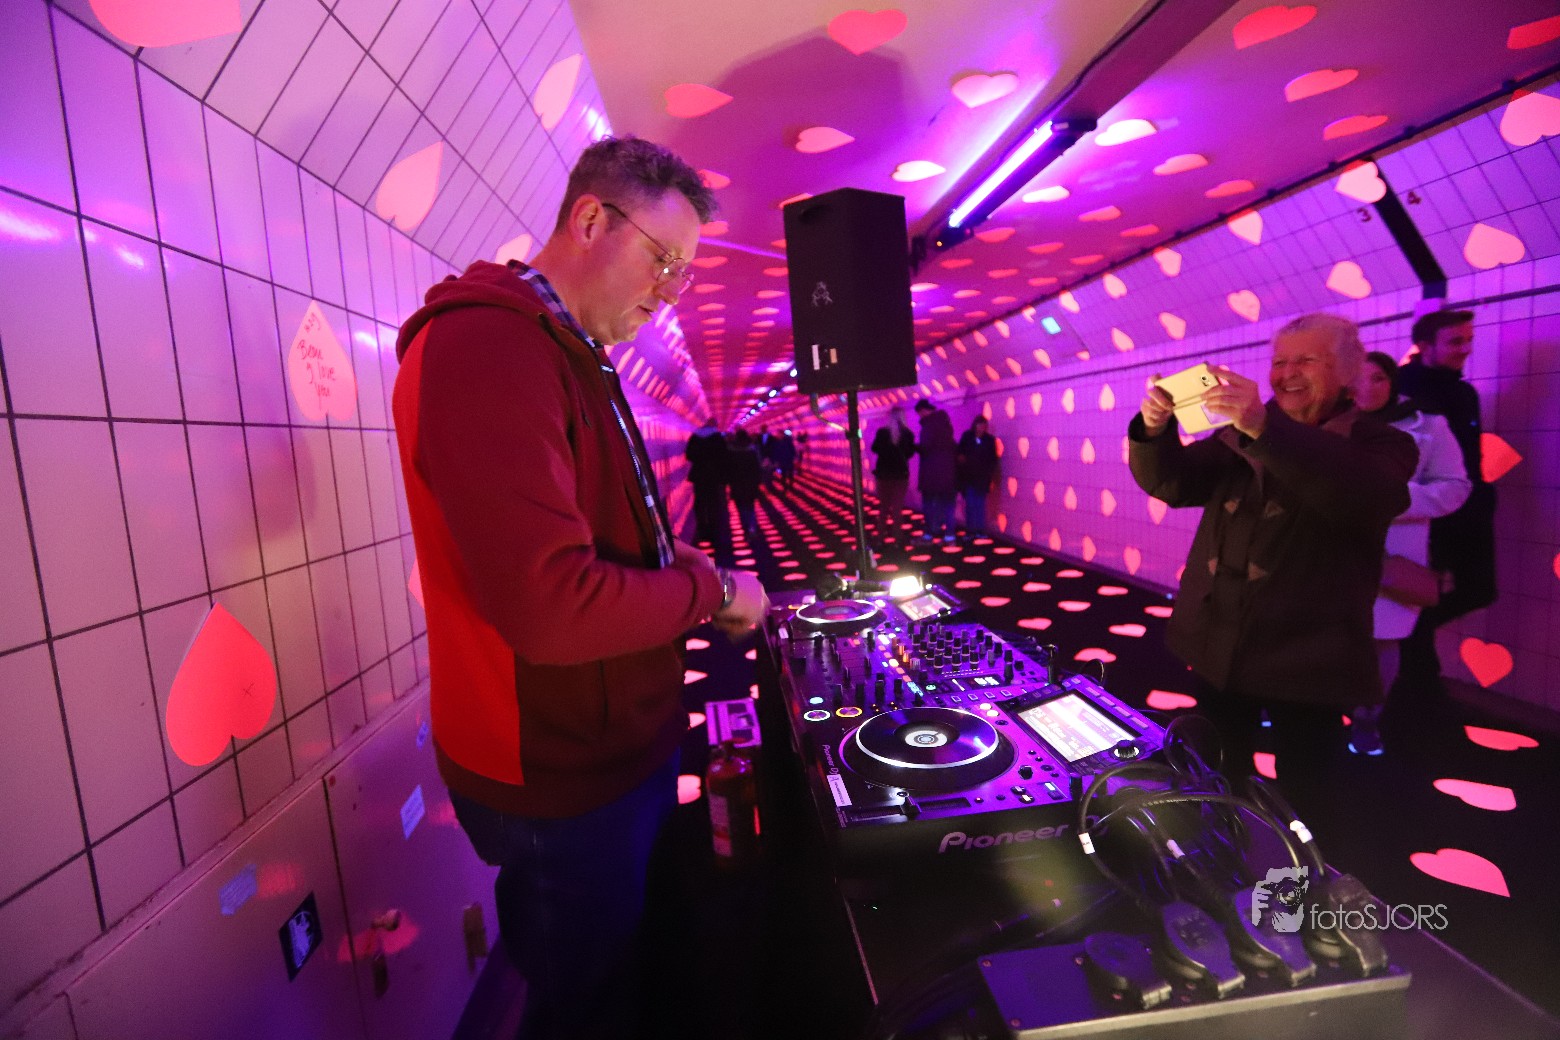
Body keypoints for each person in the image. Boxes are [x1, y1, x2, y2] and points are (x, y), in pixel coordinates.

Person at [391, 135, 767, 1040]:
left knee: (627, 976)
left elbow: (601, 533)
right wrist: (712, 595)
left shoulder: (571, 349)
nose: (671, 291)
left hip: (603, 747)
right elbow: (551, 608)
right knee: (587, 1008)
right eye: (663, 259)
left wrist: (683, 567)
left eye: (683, 272)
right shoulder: (488, 346)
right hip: (557, 771)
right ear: (591, 218)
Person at [1127, 313, 1415, 786]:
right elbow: (1173, 484)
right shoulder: (1237, 432)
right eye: (1280, 362)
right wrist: (1154, 430)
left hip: (1309, 656)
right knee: (1215, 774)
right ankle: (1222, 834)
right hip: (1220, 638)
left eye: (1306, 361)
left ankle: (1299, 841)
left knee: (1307, 788)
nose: (1287, 374)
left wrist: (1264, 430)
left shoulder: (1382, 442)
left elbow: (1368, 494)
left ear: (1349, 371)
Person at [1346, 351, 1470, 755]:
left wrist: (1395, 499)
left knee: (1383, 641)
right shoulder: (1329, 423)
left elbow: (1455, 486)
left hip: (1393, 555)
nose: (1366, 388)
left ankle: (1367, 721)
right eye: (1357, 378)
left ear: (1393, 382)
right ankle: (1299, 709)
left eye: (1378, 378)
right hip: (1331, 549)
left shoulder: (1428, 426)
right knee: (1319, 632)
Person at [1394, 310, 1496, 698]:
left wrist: (1482, 498)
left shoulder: (1464, 393)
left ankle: (1410, 648)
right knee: (1419, 593)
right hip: (1427, 513)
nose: (1465, 349)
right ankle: (1417, 677)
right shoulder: (1404, 389)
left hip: (1469, 509)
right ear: (1424, 346)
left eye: (1468, 340)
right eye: (1455, 341)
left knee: (1480, 589)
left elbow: (1470, 456)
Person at [914, 399, 958, 544]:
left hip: (931, 475)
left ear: (923, 411)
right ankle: (950, 536)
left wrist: (913, 446)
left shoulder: (928, 426)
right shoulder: (946, 425)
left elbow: (926, 448)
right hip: (948, 474)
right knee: (948, 505)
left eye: (919, 413)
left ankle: (929, 534)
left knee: (929, 505)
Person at [870, 406, 916, 540]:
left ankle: (880, 536)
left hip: (883, 474)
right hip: (900, 475)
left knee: (883, 507)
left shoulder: (882, 433)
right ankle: (897, 537)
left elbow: (874, 448)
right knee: (897, 508)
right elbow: (910, 453)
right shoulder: (908, 434)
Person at [685, 418, 729, 545]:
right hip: (714, 476)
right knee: (713, 503)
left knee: (700, 502)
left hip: (698, 475)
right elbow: (724, 456)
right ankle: (714, 531)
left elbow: (689, 455)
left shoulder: (695, 437)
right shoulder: (717, 438)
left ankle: (702, 530)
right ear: (715, 426)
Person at [956, 415, 999, 541]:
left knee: (979, 505)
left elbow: (992, 458)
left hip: (981, 477)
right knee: (970, 505)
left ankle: (979, 530)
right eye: (980, 425)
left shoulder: (989, 440)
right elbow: (960, 453)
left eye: (984, 426)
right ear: (975, 425)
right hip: (969, 476)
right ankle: (971, 530)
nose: (982, 428)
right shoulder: (967, 437)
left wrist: (990, 474)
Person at [727, 429, 765, 535]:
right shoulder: (751, 452)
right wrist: (758, 481)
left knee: (740, 506)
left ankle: (745, 525)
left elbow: (728, 469)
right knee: (750, 506)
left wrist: (728, 481)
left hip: (737, 484)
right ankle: (752, 526)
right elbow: (757, 468)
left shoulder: (731, 453)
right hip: (750, 484)